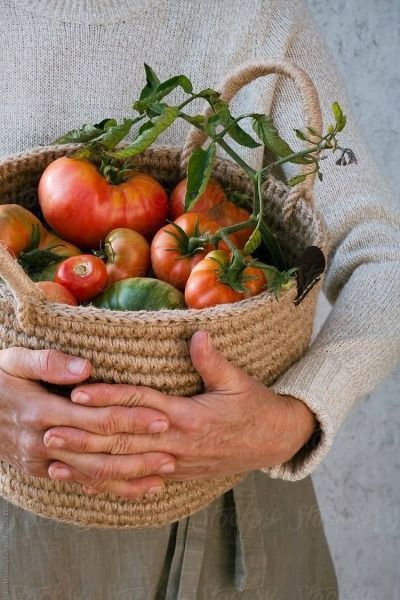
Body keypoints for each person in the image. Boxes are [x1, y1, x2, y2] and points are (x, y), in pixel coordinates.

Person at [0, 0, 399, 598]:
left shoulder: (259, 17)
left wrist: (291, 420)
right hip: (20, 514)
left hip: (233, 498)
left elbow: (383, 258)